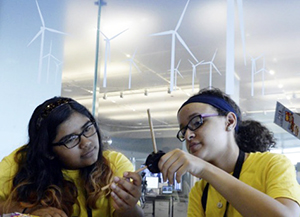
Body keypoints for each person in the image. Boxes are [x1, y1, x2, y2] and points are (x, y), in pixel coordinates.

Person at [158, 87, 300, 217]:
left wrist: (205, 169)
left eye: (196, 122)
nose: (188, 135)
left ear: (230, 121)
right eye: (183, 130)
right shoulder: (200, 190)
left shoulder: (272, 164)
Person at [0, 97, 144, 217]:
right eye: (70, 139)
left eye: (87, 128)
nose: (86, 143)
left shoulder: (114, 162)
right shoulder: (18, 161)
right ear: (48, 151)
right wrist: (29, 210)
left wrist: (128, 207)